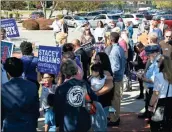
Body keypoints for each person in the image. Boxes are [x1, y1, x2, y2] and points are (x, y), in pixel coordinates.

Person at [54, 59, 97, 132]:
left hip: (68, 125)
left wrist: (57, 124)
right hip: (84, 123)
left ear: (63, 72)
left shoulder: (60, 88)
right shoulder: (83, 84)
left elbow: (57, 109)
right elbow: (95, 98)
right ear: (76, 70)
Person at [1, 57, 39, 132]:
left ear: (8, 72)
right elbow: (36, 111)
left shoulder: (3, 89)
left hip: (10, 127)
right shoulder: (32, 86)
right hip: (28, 126)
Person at [149, 56, 172, 132]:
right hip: (170, 101)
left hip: (162, 102)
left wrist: (151, 105)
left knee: (155, 124)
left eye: (158, 61)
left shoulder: (159, 76)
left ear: (163, 64)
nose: (157, 62)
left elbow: (155, 94)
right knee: (168, 123)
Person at [138, 44, 161, 119]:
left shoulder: (158, 63)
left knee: (152, 104)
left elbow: (154, 80)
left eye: (149, 54)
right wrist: (144, 73)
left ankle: (151, 118)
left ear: (155, 53)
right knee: (148, 102)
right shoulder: (154, 60)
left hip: (154, 88)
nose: (147, 56)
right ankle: (148, 114)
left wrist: (142, 78)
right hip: (150, 87)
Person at [108, 32, 126, 126]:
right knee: (115, 99)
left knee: (114, 100)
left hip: (116, 78)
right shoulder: (120, 48)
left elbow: (115, 67)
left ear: (111, 40)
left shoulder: (115, 50)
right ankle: (114, 116)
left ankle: (114, 119)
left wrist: (111, 77)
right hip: (119, 77)